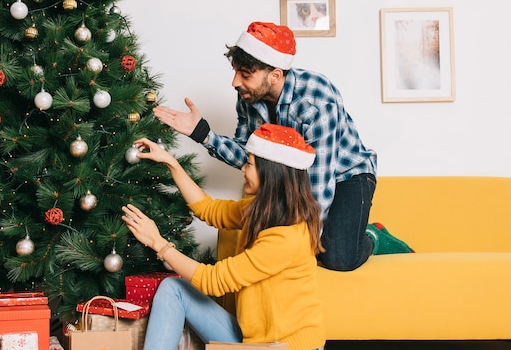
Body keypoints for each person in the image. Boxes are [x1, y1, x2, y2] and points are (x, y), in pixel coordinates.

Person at [80, 123, 326, 350]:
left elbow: (214, 280)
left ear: (272, 174)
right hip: (250, 342)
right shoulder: (260, 211)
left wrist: (159, 243)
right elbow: (209, 209)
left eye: (249, 164)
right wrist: (171, 162)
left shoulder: (287, 236)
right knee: (173, 289)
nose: (244, 170)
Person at [153, 21, 412, 271]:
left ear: (275, 75)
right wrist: (203, 134)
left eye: (245, 75)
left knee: (337, 258)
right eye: (235, 72)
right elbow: (249, 156)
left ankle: (373, 236)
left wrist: (301, 244)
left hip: (346, 174)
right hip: (295, 179)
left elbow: (319, 185)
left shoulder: (316, 100)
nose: (234, 82)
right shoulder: (248, 97)